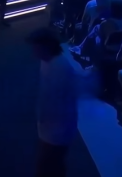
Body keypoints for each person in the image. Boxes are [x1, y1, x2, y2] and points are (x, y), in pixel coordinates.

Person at [28, 27, 77, 177]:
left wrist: (42, 116)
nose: (33, 51)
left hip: (57, 131)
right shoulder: (47, 61)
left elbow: (54, 100)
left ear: (46, 47)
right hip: (51, 128)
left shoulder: (59, 68)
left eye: (36, 48)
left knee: (47, 167)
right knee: (54, 165)